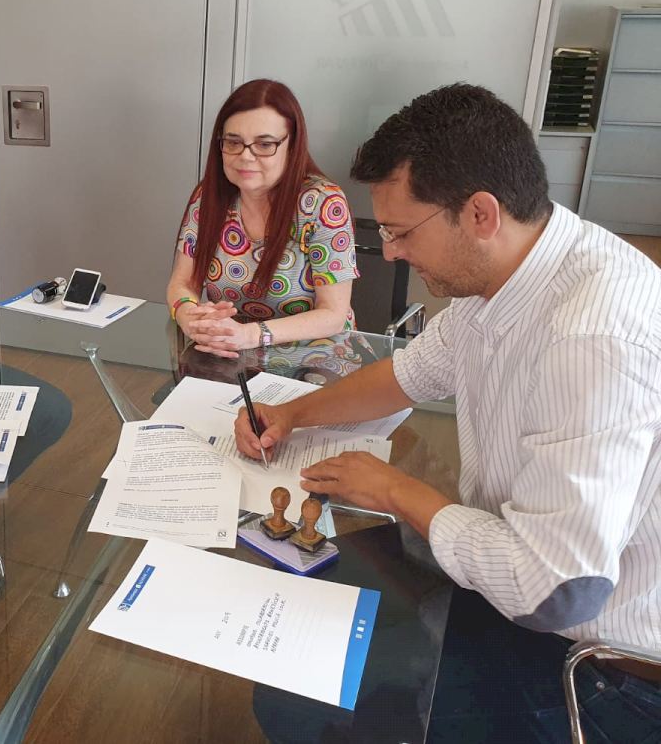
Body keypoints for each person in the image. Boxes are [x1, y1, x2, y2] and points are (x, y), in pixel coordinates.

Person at [236, 83, 661, 742]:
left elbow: (554, 590)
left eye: (402, 232)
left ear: (481, 213)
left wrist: (395, 490)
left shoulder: (593, 336)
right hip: (511, 578)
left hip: (599, 669)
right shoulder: (510, 272)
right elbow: (407, 375)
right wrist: (295, 414)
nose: (391, 252)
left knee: (297, 705)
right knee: (300, 619)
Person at [167, 79, 358, 360]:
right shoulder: (209, 197)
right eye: (233, 142)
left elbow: (333, 314)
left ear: (292, 146)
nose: (246, 156)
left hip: (315, 356)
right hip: (232, 353)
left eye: (265, 144)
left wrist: (252, 335)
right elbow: (182, 282)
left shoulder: (322, 203)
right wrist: (189, 316)